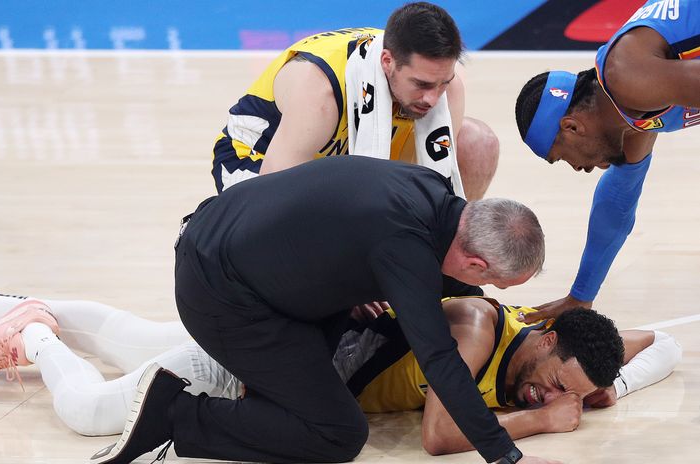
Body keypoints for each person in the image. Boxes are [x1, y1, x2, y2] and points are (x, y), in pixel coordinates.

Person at [0, 252, 680, 457]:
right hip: (274, 362)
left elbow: (662, 341)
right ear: (539, 337)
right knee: (93, 412)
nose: (545, 396)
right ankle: (30, 336)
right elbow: (441, 437)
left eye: (554, 395)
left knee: (133, 336)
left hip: (290, 340)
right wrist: (548, 427)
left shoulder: (552, 353)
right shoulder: (476, 327)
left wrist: (605, 383)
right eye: (548, 382)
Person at [92, 155, 547, 464]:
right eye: (488, 281)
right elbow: (439, 357)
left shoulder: (431, 190)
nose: (481, 288)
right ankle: (172, 413)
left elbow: (357, 237)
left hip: (231, 245)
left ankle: (255, 402)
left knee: (308, 403)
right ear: (474, 262)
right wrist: (504, 454)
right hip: (219, 292)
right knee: (339, 434)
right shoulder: (405, 249)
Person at [514, 0, 700, 322]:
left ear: (571, 127)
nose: (579, 169)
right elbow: (617, 203)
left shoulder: (629, 77)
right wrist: (581, 296)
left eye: (562, 158)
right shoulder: (632, 111)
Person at [213, 2, 499, 200]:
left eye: (442, 83)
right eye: (421, 84)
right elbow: (272, 198)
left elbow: (425, 182)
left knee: (477, 143)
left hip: (344, 159)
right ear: (388, 62)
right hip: (260, 161)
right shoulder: (321, 92)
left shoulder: (446, 90)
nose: (433, 98)